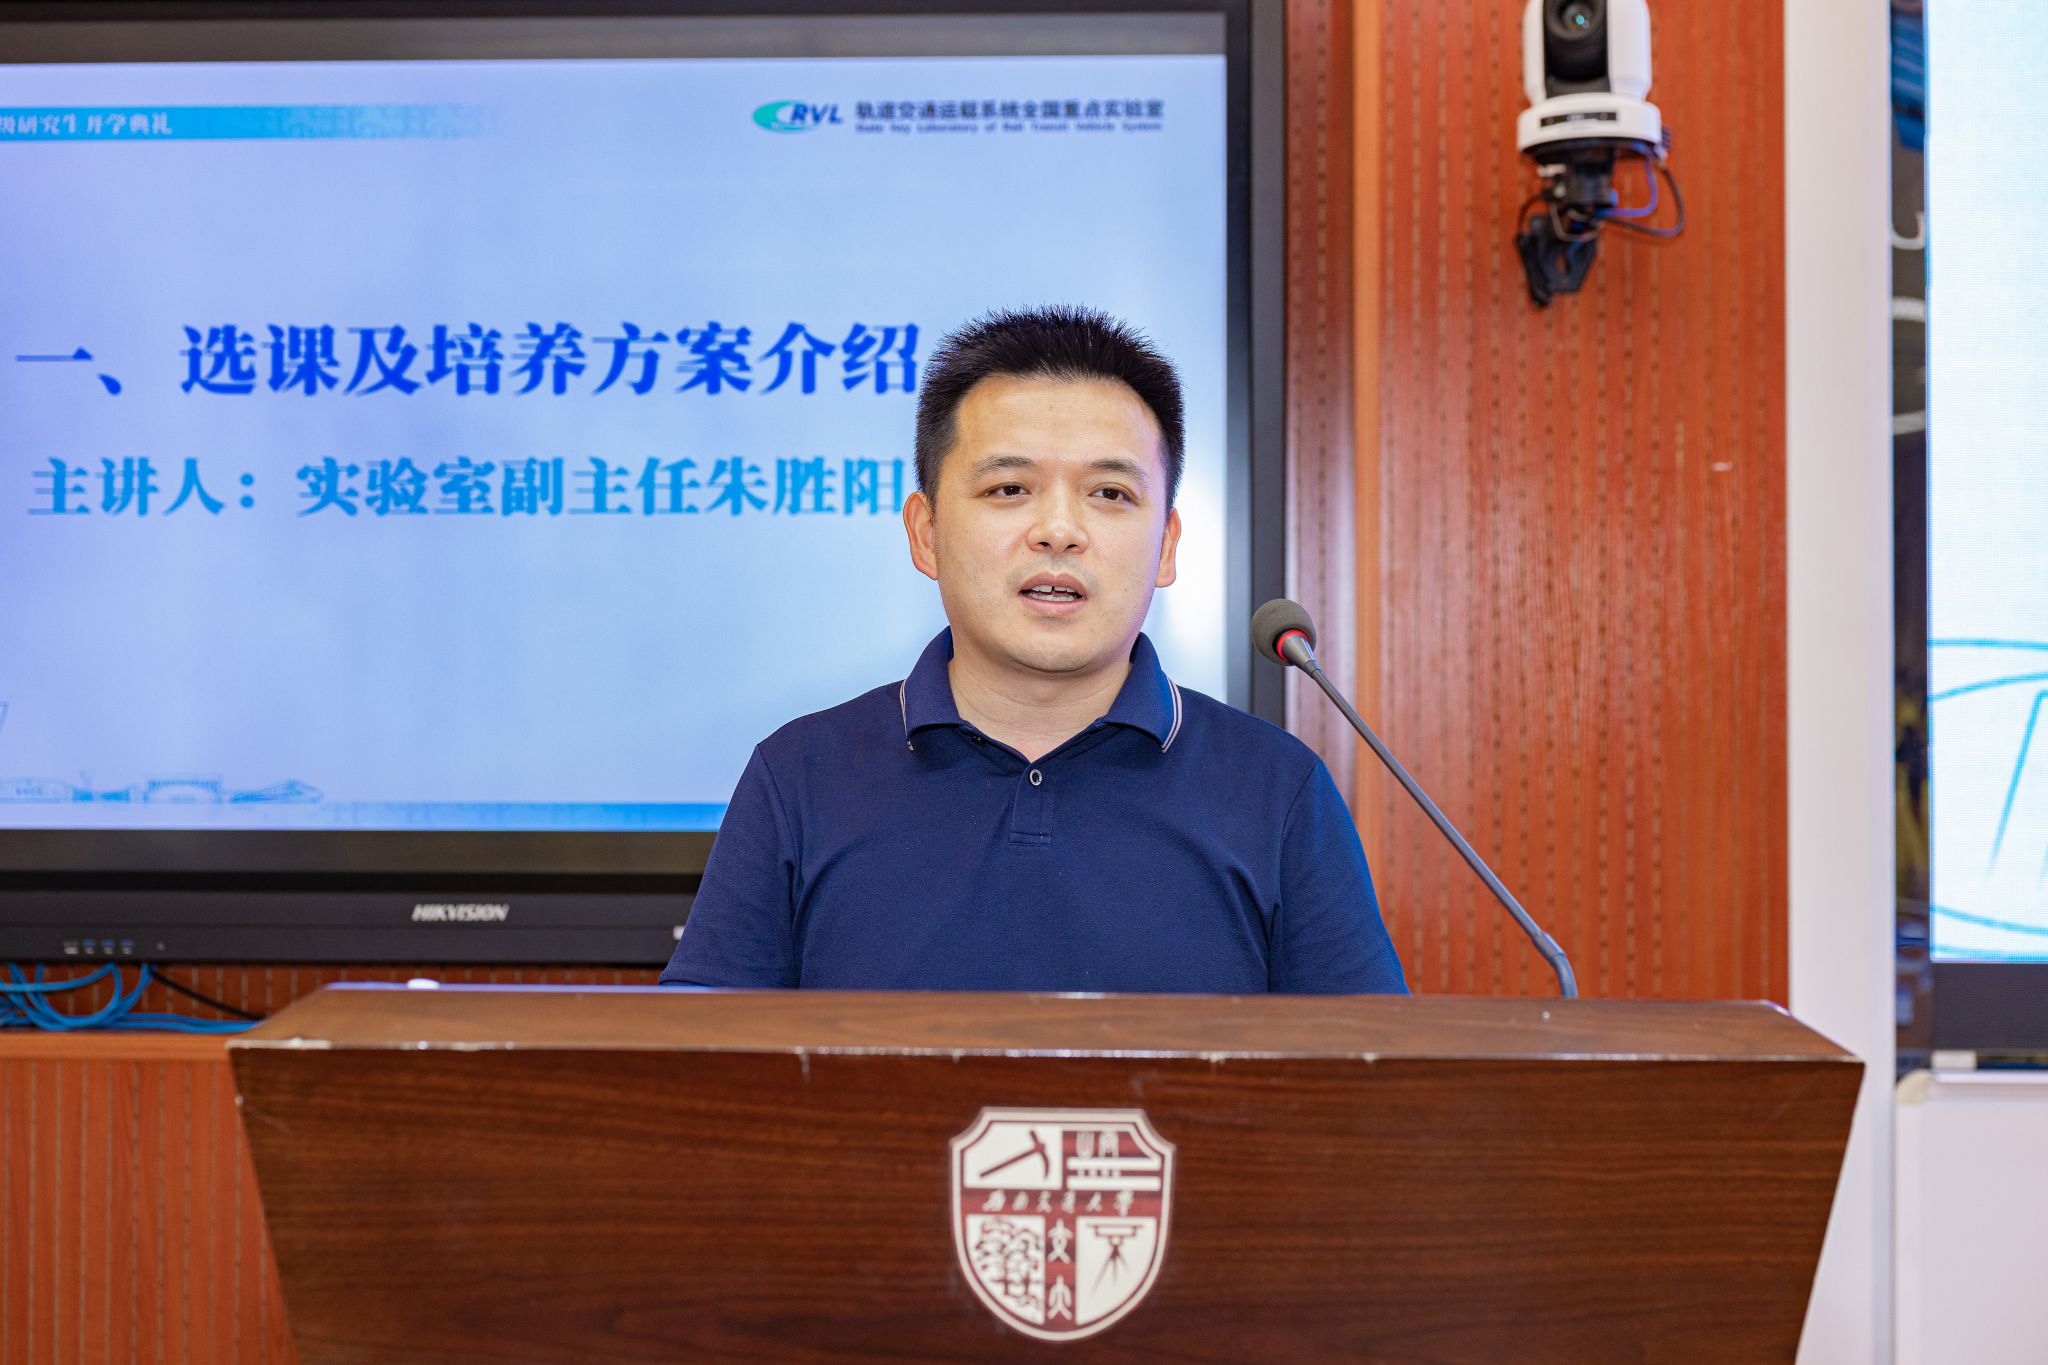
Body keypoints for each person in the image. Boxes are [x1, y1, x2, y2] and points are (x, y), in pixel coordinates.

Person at [660, 305, 1405, 993]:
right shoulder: (798, 777)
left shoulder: (1279, 792)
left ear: (1167, 546)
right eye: (1009, 489)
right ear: (925, 533)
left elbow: (1371, 1075)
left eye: (1109, 494)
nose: (1058, 531)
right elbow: (702, 1068)